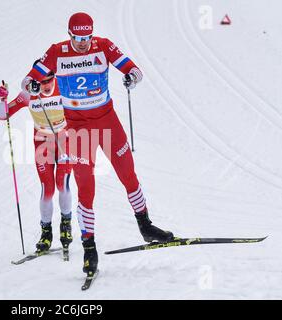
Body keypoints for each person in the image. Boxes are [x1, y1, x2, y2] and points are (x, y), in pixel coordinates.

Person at [22, 12, 174, 276]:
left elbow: (134, 70)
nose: (83, 42)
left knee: (128, 173)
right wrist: (33, 85)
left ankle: (146, 226)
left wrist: (131, 78)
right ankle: (89, 247)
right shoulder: (57, 52)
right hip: (78, 127)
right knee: (86, 185)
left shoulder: (102, 46)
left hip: (107, 120)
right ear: (70, 35)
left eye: (87, 36)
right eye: (78, 37)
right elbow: (28, 81)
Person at [0, 67, 73, 255]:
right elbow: (3, 115)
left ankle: (66, 224)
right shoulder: (28, 95)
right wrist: (2, 100)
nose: (47, 85)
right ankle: (46, 232)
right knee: (47, 188)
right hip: (42, 144)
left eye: (50, 80)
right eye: (42, 82)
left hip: (65, 142)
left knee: (62, 184)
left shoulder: (65, 87)